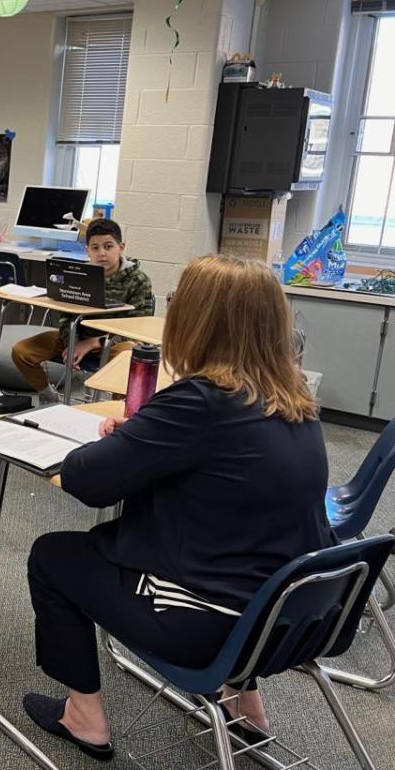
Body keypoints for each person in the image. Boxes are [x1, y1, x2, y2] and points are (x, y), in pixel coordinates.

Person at [23, 254, 332, 761]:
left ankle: (84, 718)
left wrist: (131, 444)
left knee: (53, 556)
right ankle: (243, 700)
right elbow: (227, 477)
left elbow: (86, 480)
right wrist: (147, 441)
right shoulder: (293, 399)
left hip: (210, 626)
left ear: (196, 319)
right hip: (292, 615)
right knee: (240, 541)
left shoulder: (203, 400)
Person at [12, 218, 152, 403]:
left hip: (113, 344)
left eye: (108, 246)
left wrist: (95, 343)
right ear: (87, 251)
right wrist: (71, 342)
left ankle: (117, 412)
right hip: (77, 339)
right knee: (21, 351)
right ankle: (48, 396)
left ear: (121, 247)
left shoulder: (138, 280)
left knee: (128, 358)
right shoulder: (80, 274)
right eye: (95, 248)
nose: (102, 253)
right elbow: (65, 317)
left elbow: (137, 330)